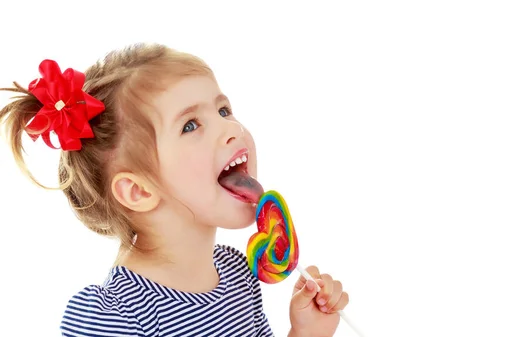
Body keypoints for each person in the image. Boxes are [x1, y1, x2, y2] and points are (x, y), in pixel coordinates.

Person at [0, 43, 349, 336]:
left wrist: (305, 333)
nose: (232, 129)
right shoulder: (112, 316)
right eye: (191, 124)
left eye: (224, 109)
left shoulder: (238, 275)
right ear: (138, 191)